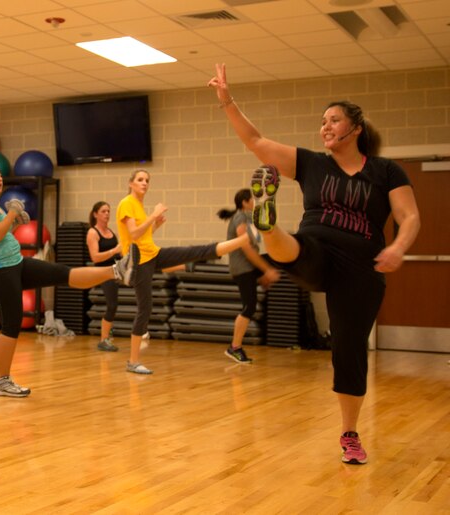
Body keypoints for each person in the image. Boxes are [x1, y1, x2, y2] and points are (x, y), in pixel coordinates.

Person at [209, 63, 419, 464]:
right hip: (317, 247)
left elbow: (409, 217)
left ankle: (349, 434)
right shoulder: (311, 164)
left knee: (349, 346)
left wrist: (399, 247)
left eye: (333, 120)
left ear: (355, 128)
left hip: (363, 265)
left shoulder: (385, 170)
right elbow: (254, 140)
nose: (325, 127)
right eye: (322, 121)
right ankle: (266, 221)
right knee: (299, 250)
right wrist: (226, 99)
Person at [0, 163, 137, 397]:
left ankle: (115, 271)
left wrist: (13, 222)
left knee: (62, 273)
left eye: (0, 174)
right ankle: (0, 381)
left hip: (15, 263)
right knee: (11, 323)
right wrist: (13, 214)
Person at [117, 169, 250, 375]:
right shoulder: (127, 203)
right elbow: (133, 233)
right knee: (145, 308)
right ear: (131, 183)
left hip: (152, 254)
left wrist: (155, 226)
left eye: (147, 180)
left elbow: (142, 235)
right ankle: (133, 361)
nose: (144, 183)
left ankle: (240, 241)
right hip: (138, 260)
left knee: (191, 252)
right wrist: (153, 216)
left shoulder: (138, 205)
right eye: (140, 180)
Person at [216, 188, 280, 364]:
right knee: (249, 307)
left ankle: (235, 348)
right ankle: (234, 348)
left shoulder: (250, 219)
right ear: (245, 202)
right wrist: (266, 270)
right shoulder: (239, 218)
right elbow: (247, 250)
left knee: (278, 259)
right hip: (242, 268)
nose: (255, 202)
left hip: (250, 267)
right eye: (252, 199)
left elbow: (257, 246)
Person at [86, 201, 122, 352]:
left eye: (108, 211)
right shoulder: (93, 233)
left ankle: (108, 335)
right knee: (112, 305)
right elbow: (95, 257)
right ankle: (104, 340)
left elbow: (118, 253)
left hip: (114, 271)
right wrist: (114, 251)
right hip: (102, 272)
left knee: (114, 305)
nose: (107, 214)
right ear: (95, 214)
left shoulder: (111, 231)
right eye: (103, 211)